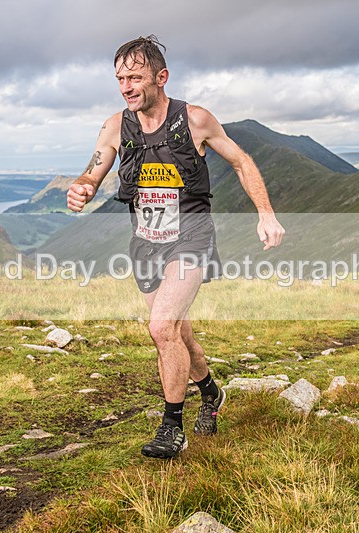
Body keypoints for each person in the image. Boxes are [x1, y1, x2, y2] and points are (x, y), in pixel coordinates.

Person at [67, 35, 284, 459]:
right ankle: (211, 393)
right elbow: (93, 170)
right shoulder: (115, 126)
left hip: (192, 237)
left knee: (161, 327)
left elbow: (240, 160)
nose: (126, 86)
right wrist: (83, 187)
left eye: (135, 77)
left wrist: (266, 213)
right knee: (177, 333)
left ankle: (172, 427)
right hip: (146, 243)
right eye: (120, 79)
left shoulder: (196, 120)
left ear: (161, 77)